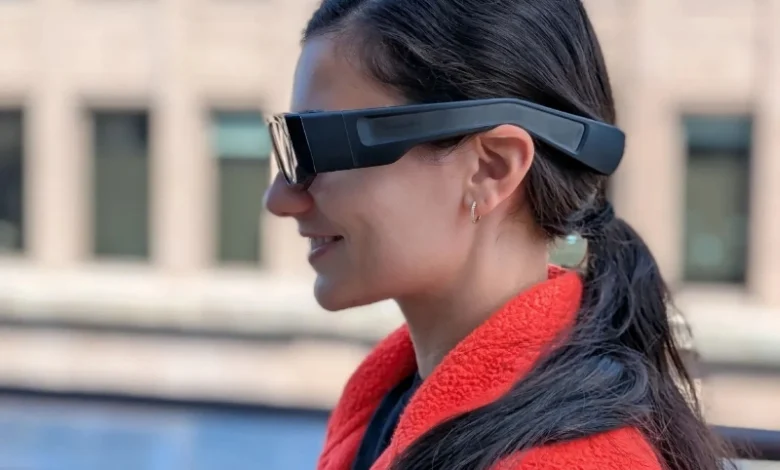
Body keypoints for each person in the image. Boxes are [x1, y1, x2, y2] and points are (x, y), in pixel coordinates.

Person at [264, 1, 733, 469]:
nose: (280, 198)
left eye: (318, 148)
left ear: (492, 168)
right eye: (289, 147)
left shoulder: (572, 460)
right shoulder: (385, 413)